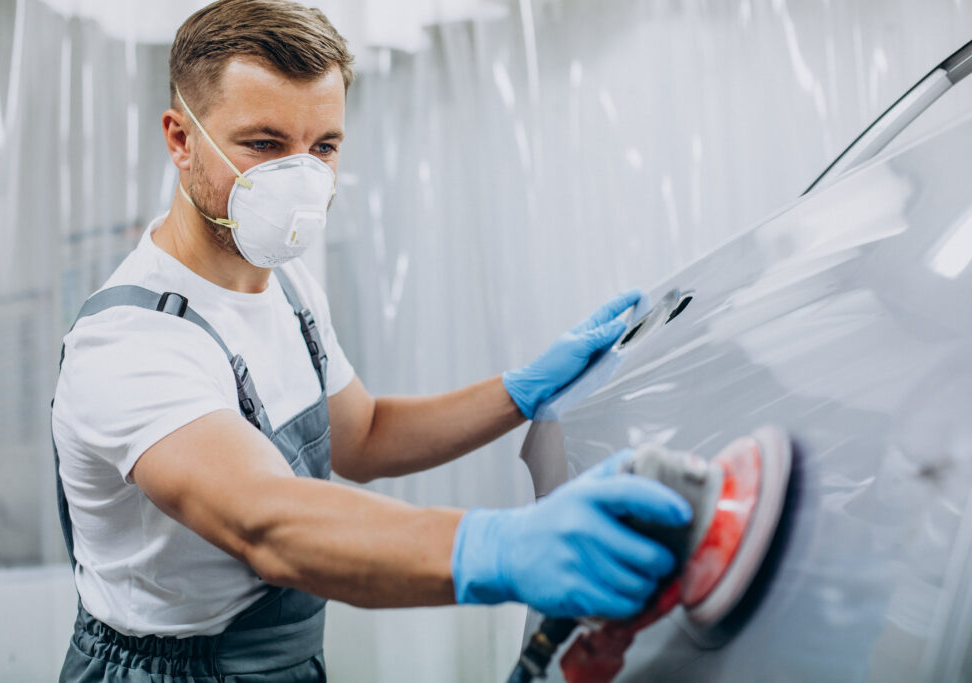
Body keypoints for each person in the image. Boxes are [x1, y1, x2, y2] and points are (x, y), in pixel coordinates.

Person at [50, 1, 692, 680]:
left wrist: (519, 391)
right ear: (181, 138)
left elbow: (364, 434)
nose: (302, 179)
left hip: (285, 660)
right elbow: (267, 522)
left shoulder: (287, 286)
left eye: (323, 146)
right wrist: (499, 546)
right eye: (264, 144)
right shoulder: (130, 343)